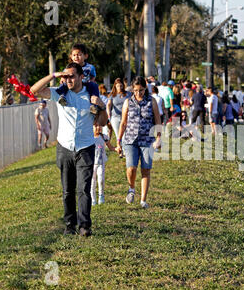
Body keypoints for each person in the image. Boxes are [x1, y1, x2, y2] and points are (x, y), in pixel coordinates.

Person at [30, 62, 108, 237]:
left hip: (85, 147)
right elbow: (34, 91)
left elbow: (102, 122)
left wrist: (101, 105)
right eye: (66, 76)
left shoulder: (91, 95)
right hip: (64, 147)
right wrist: (54, 76)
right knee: (67, 190)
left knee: (84, 189)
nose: (68, 79)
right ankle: (70, 224)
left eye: (72, 76)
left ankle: (84, 226)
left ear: (81, 77)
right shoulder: (60, 93)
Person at [116, 76, 162, 209]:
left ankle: (143, 200)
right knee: (131, 168)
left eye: (141, 90)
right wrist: (119, 141)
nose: (138, 93)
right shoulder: (127, 102)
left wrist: (159, 137)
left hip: (147, 140)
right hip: (130, 140)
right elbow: (123, 123)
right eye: (135, 90)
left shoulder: (151, 101)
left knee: (146, 169)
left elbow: (158, 121)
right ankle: (131, 188)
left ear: (145, 89)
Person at [55, 44, 101, 115]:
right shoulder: (69, 68)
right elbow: (64, 74)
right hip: (73, 84)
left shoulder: (90, 67)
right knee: (63, 84)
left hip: (85, 83)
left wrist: (91, 80)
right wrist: (62, 78)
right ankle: (62, 97)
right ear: (71, 56)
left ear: (85, 56)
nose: (76, 57)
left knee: (94, 85)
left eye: (79, 55)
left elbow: (93, 75)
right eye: (74, 55)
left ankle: (93, 105)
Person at [91, 123, 116, 206]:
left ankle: (101, 196)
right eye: (96, 126)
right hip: (92, 164)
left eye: (100, 126)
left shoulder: (103, 137)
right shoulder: (89, 138)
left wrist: (117, 149)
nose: (98, 128)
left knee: (101, 179)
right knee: (92, 181)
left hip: (101, 163)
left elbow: (110, 147)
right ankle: (93, 198)